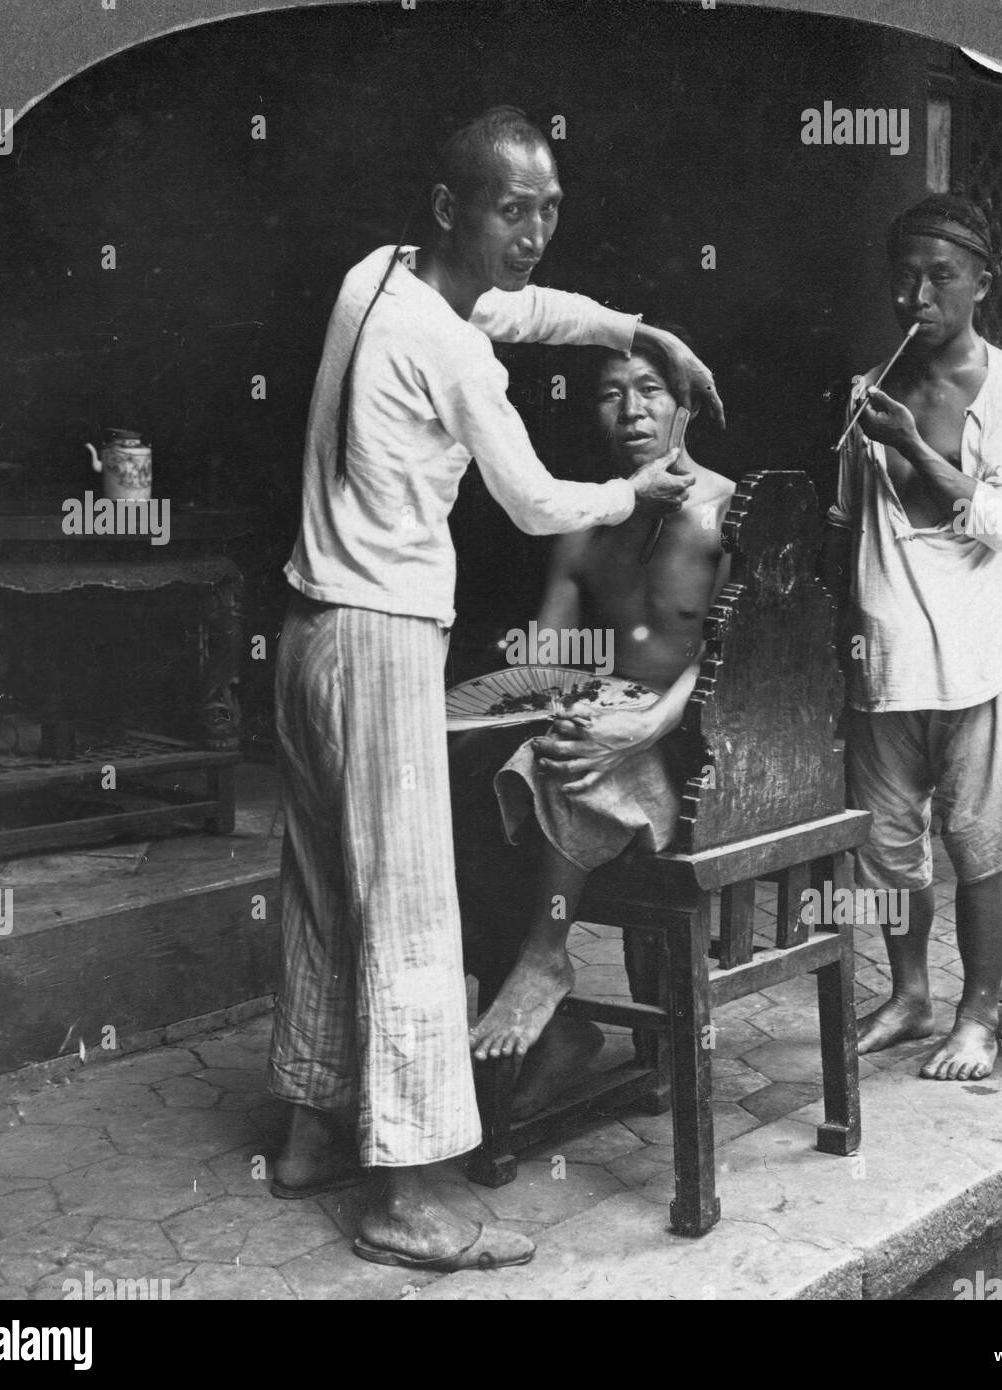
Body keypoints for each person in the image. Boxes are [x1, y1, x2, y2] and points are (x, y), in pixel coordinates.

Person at [270, 106, 724, 1271]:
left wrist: (630, 326)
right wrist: (639, 493)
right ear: (448, 208)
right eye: (510, 210)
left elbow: (520, 306)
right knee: (410, 911)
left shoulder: (374, 276)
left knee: (328, 887)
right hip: (377, 636)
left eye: (548, 210)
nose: (532, 234)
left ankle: (314, 1129)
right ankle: (407, 1192)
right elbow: (530, 499)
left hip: (309, 630)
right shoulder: (453, 349)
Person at [466, 335, 734, 1118]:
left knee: (584, 755)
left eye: (650, 388)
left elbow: (737, 660)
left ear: (685, 401)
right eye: (612, 393)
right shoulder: (586, 522)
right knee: (476, 772)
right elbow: (547, 662)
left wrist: (648, 723)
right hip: (601, 726)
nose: (632, 408)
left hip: (694, 741)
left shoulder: (727, 509)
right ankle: (560, 1033)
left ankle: (546, 960)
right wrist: (530, 710)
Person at [824, 192, 1002, 1084]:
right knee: (887, 849)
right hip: (884, 663)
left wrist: (917, 449)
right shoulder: (868, 391)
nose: (917, 296)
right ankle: (911, 993)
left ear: (983, 282)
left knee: (978, 846)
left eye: (941, 277)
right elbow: (848, 524)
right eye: (904, 278)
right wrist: (836, 641)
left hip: (978, 659)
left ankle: (980, 1016)